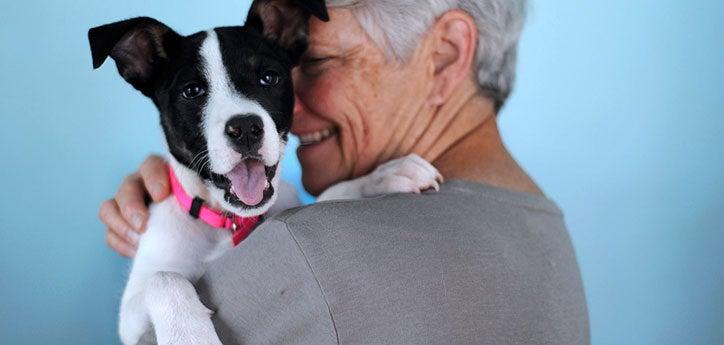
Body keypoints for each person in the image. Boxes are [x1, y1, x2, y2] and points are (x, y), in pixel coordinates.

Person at [99, 1, 589, 344]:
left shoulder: (307, 256)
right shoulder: (544, 231)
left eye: (316, 63)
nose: (294, 104)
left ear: (444, 56)